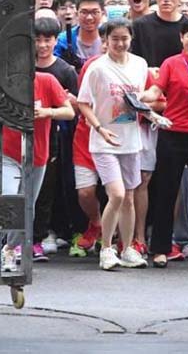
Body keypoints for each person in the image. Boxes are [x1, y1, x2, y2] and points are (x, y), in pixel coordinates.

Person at [0, 71, 73, 270]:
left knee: (26, 208)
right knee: (8, 201)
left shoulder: (47, 80)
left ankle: (9, 248)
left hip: (36, 155)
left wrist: (48, 112)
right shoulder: (4, 80)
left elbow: (69, 111)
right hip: (6, 152)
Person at [140, 17, 188, 269]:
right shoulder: (171, 64)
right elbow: (156, 91)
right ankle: (161, 248)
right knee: (166, 193)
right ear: (181, 38)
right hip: (172, 135)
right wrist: (140, 96)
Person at [77, 18, 150, 270]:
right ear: (105, 41)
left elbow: (140, 100)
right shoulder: (97, 68)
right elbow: (83, 103)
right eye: (114, 38)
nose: (120, 43)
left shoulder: (140, 65)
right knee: (116, 194)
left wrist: (155, 116)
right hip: (104, 142)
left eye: (124, 38)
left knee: (129, 197)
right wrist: (99, 128)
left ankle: (127, 248)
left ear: (131, 39)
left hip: (131, 141)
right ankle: (106, 248)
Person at [130, 0, 186, 256]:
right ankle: (138, 236)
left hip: (179, 112)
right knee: (142, 177)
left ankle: (168, 237)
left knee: (172, 180)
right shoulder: (140, 27)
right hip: (145, 109)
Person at [31, 17, 79, 261]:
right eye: (37, 39)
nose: (42, 45)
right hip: (23, 134)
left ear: (55, 40)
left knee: (46, 188)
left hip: (55, 135)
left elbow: (77, 107)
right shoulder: (23, 66)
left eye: (47, 39)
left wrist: (67, 102)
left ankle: (38, 237)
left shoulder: (65, 70)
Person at [69, 24, 109, 257]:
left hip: (118, 136)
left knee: (120, 192)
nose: (112, 45)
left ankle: (120, 238)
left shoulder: (135, 64)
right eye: (106, 40)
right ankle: (96, 223)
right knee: (85, 191)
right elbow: (82, 100)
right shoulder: (91, 65)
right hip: (87, 135)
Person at [54, 0, 104, 71]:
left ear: (103, 13)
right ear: (76, 14)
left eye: (94, 12)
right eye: (84, 12)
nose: (89, 18)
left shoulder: (110, 38)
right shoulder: (63, 40)